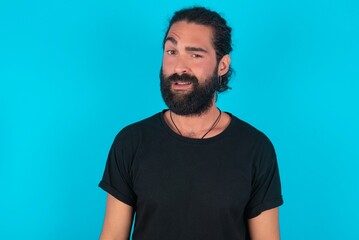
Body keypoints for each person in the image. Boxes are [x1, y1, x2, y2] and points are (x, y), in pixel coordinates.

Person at [99, 6, 283, 240]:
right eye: (171, 51)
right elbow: (113, 235)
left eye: (195, 55)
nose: (179, 67)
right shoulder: (131, 142)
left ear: (222, 65)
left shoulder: (256, 149)